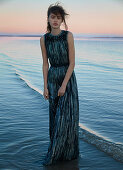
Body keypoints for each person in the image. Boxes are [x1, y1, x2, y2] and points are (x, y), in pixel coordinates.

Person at [40, 2, 79, 166]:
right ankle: (56, 151)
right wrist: (45, 86)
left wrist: (64, 85)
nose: (55, 20)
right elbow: (45, 64)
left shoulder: (68, 36)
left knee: (67, 118)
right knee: (55, 118)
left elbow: (72, 63)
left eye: (58, 17)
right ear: (48, 19)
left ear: (62, 20)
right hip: (52, 79)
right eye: (53, 17)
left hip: (67, 80)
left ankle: (67, 154)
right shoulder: (44, 39)